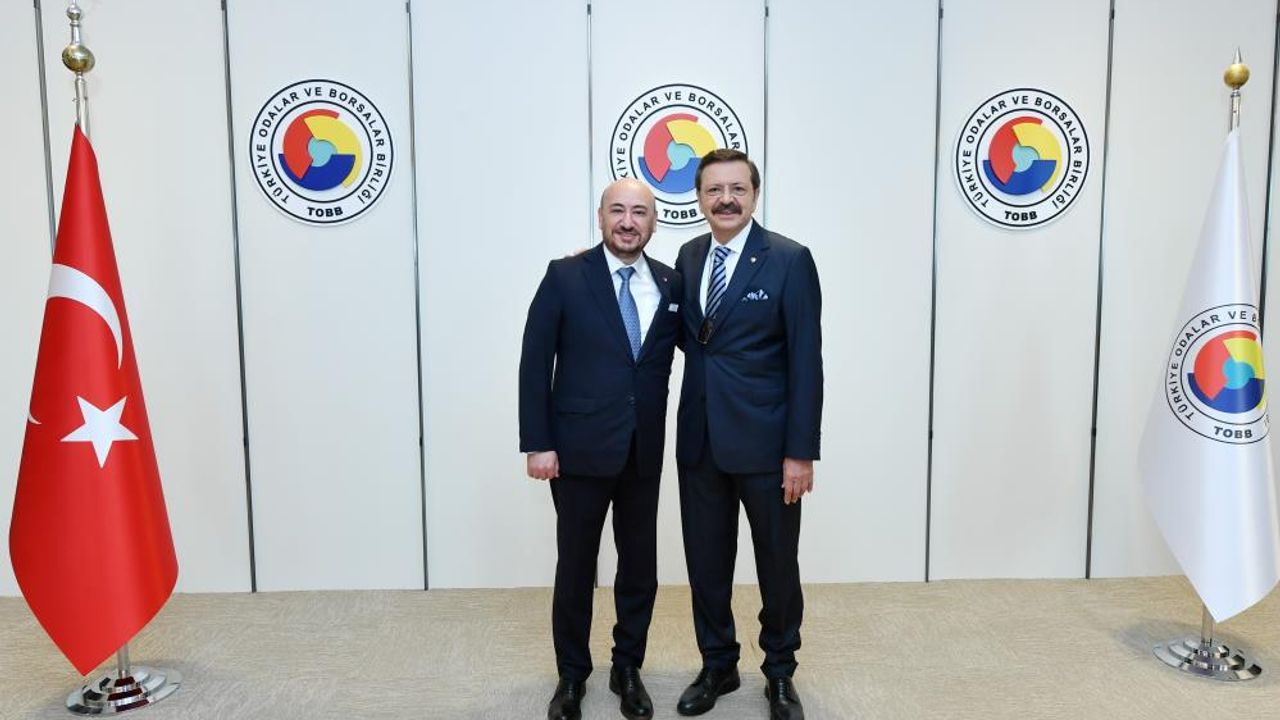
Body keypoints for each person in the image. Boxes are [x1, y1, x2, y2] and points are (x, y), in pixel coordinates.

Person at [519, 179, 683, 720]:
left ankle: (627, 667)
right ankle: (571, 675)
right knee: (576, 567)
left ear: (653, 221)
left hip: (642, 451)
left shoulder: (671, 283)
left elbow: (706, 344)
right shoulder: (565, 276)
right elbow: (535, 362)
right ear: (600, 216)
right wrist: (538, 443)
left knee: (639, 569)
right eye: (618, 211)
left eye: (639, 212)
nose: (628, 221)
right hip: (578, 451)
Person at [672, 149, 822, 720]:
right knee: (706, 563)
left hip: (767, 446)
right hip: (700, 441)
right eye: (714, 190)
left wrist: (800, 452)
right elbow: (679, 330)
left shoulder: (789, 259)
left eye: (737, 188)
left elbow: (806, 361)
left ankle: (780, 671)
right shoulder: (689, 257)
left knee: (777, 565)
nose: (726, 199)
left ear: (755, 195)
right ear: (699, 198)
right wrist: (589, 266)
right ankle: (718, 663)